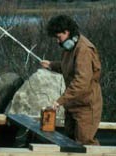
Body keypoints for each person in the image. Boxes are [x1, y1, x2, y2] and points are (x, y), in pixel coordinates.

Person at [40, 15, 103, 145]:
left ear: (67, 32)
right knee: (69, 144)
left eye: (59, 37)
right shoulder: (69, 48)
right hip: (72, 106)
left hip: (86, 108)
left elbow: (81, 82)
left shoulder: (84, 50)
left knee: (85, 144)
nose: (58, 41)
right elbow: (68, 66)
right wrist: (51, 65)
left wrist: (59, 101)